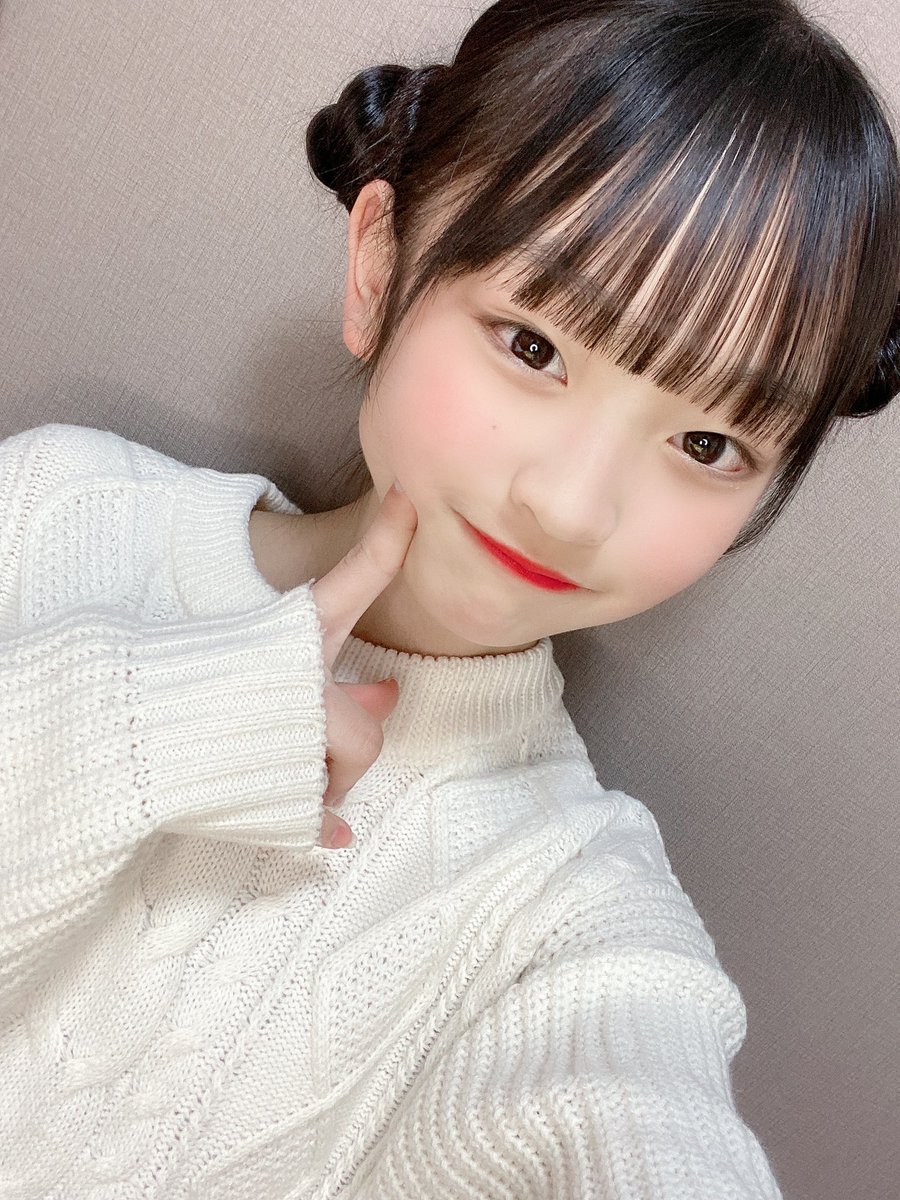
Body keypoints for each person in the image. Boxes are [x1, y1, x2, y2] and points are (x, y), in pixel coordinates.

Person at [1, 0, 897, 1195]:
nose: (571, 507)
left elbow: (635, 1123)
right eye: (533, 346)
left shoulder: (569, 913)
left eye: (708, 443)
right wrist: (177, 721)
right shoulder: (49, 512)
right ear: (380, 263)